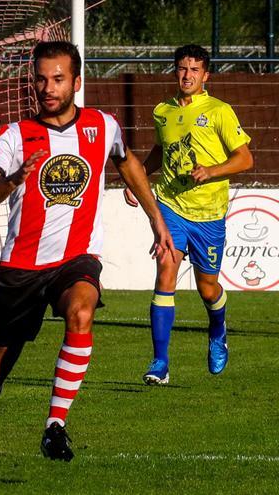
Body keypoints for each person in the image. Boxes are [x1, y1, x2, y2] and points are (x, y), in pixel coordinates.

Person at [0, 41, 175, 478]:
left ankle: (55, 425)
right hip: (21, 268)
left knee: (82, 311)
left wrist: (157, 221)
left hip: (76, 259)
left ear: (77, 81)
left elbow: (128, 166)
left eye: (57, 79)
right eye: (40, 78)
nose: (47, 88)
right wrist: (14, 179)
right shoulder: (15, 135)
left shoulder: (102, 127)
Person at [124, 45, 253, 385]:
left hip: (209, 215)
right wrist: (139, 178)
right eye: (182, 68)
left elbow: (245, 159)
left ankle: (217, 328)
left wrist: (212, 170)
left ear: (206, 75)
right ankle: (160, 363)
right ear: (175, 71)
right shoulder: (162, 111)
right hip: (171, 206)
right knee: (166, 270)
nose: (187, 75)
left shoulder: (219, 111)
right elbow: (160, 149)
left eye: (194, 70)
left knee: (207, 288)